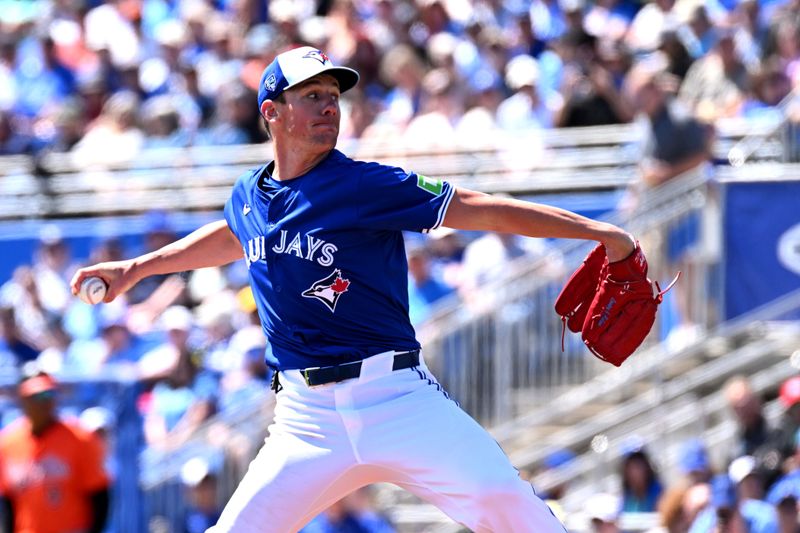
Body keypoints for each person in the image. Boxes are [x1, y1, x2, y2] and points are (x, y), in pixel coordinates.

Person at [71, 45, 637, 532]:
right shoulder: (249, 195)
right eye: (310, 96)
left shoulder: (365, 184)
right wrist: (139, 268)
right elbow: (233, 233)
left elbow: (477, 209)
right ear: (272, 112)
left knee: (506, 504)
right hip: (305, 418)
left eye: (332, 96)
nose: (327, 107)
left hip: (397, 398)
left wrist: (595, 230)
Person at [0, 369, 110, 533]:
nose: (44, 402)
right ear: (23, 399)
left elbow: (99, 495)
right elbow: (7, 500)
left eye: (48, 395)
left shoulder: (80, 438)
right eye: (36, 396)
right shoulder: (8, 443)